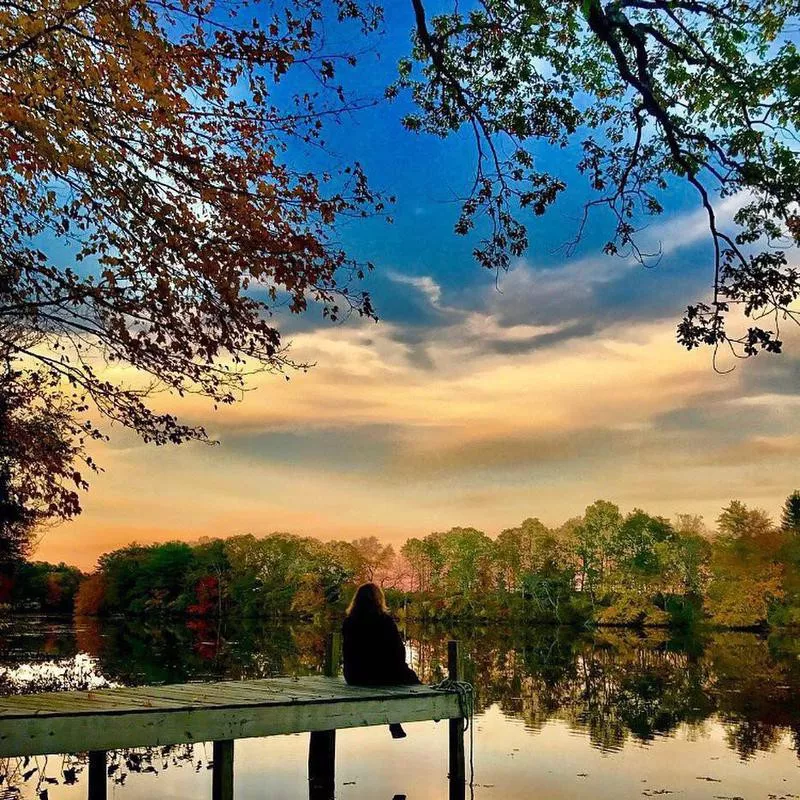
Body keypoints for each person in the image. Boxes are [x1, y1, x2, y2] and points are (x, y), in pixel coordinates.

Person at [342, 582, 420, 739]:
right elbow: (398, 651)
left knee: (399, 676)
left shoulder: (349, 622)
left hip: (354, 676)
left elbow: (347, 652)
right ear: (379, 600)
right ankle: (397, 719)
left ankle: (394, 721)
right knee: (409, 676)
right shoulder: (384, 621)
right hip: (379, 675)